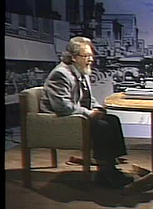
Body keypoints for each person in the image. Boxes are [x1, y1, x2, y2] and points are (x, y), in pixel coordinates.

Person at [40, 36, 133, 189]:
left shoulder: (81, 71)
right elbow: (62, 107)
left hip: (75, 115)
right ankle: (104, 174)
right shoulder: (61, 74)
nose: (91, 60)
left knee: (112, 119)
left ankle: (110, 167)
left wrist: (97, 108)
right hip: (58, 120)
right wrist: (89, 114)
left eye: (91, 55)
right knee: (102, 126)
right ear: (74, 57)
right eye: (86, 56)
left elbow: (88, 98)